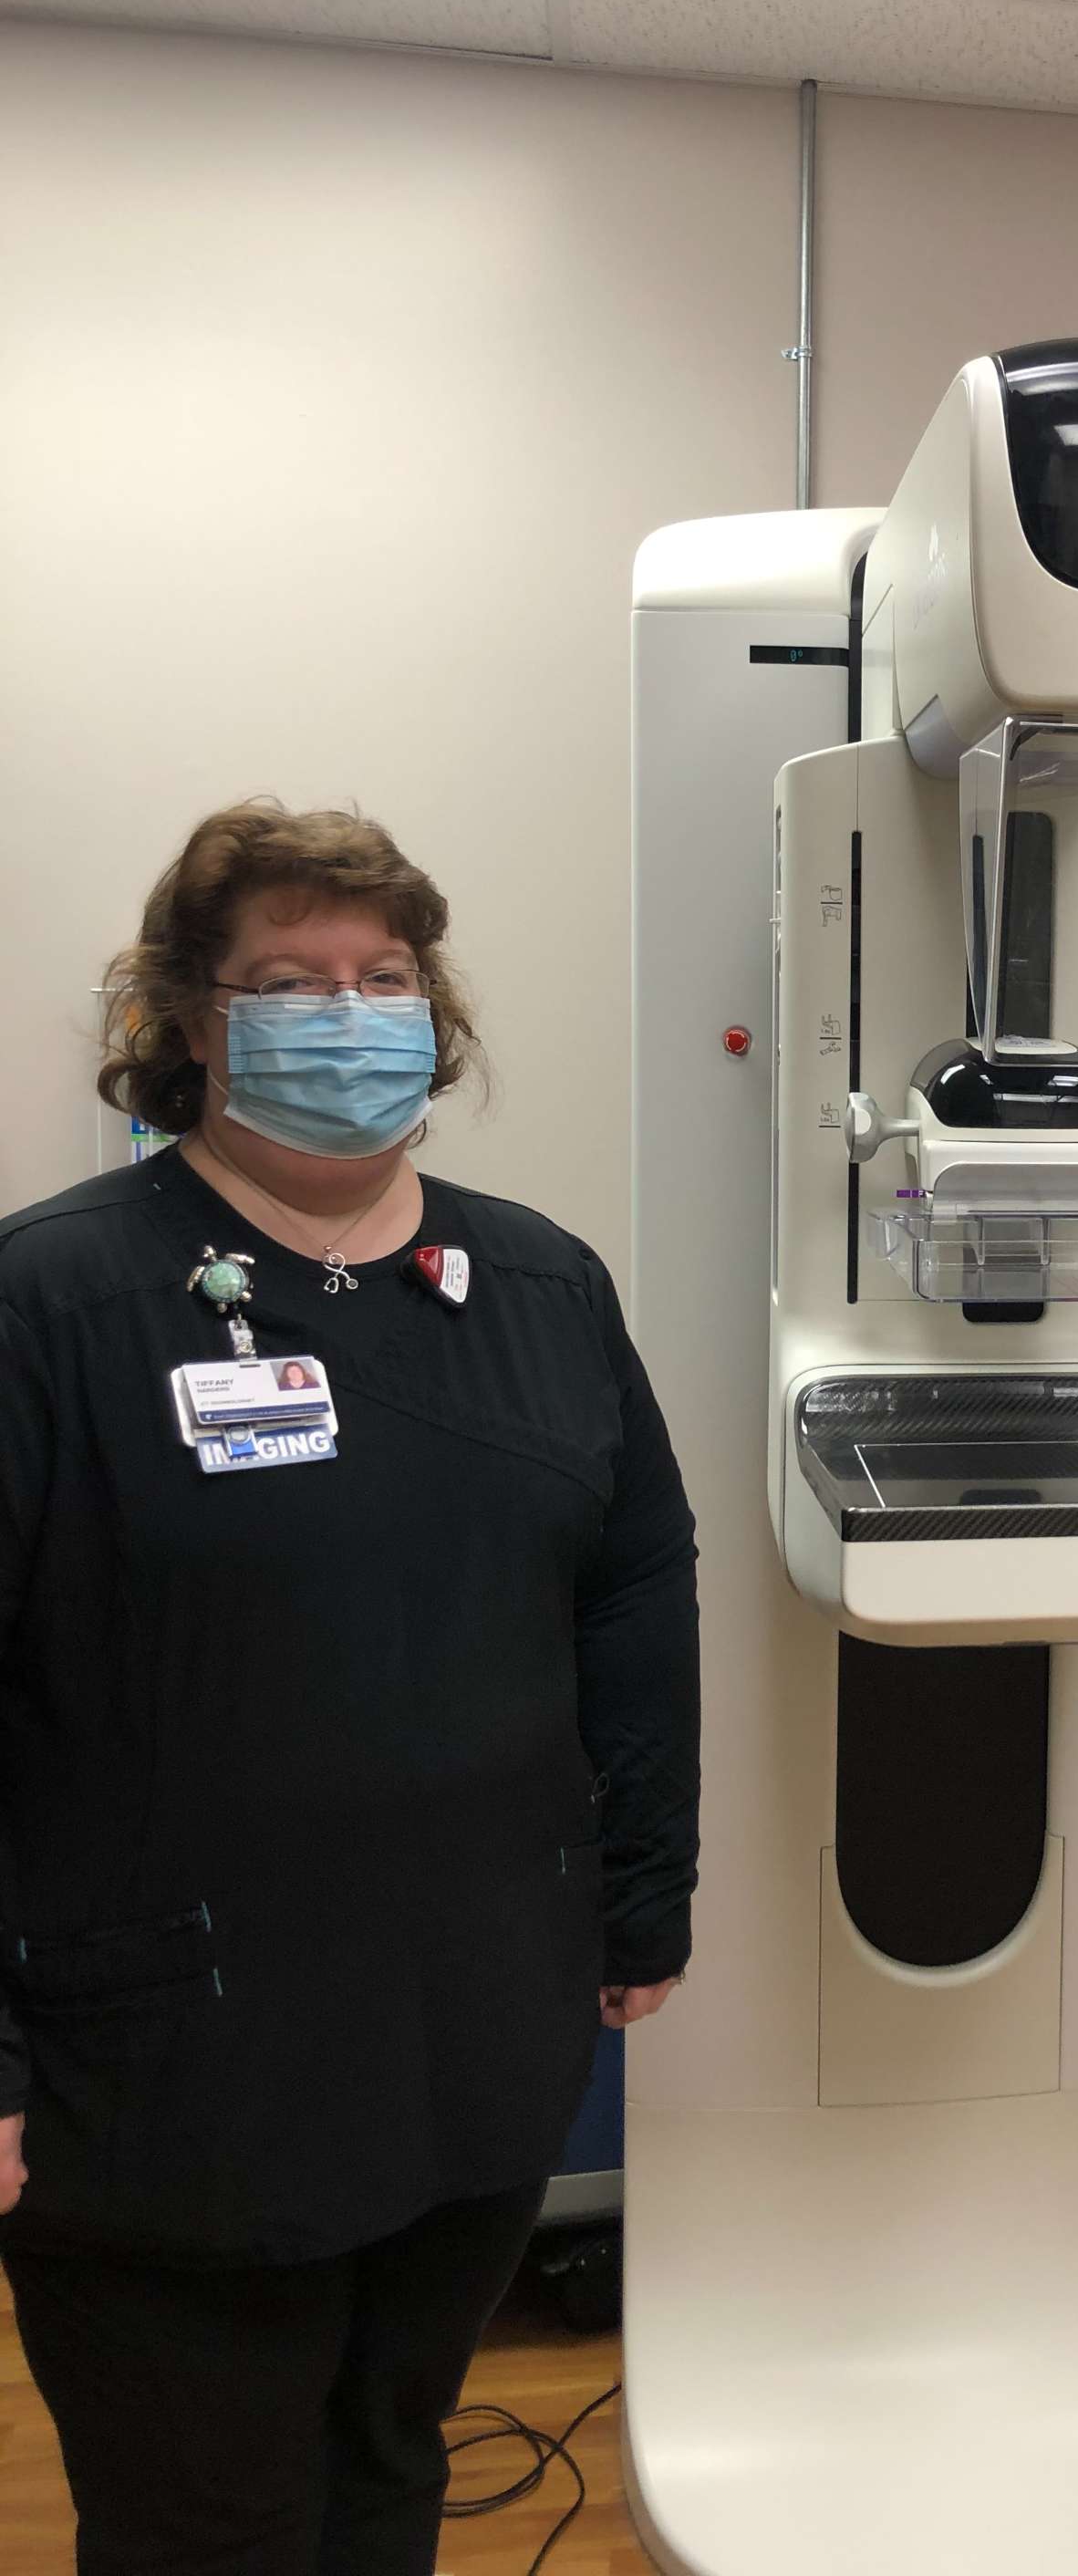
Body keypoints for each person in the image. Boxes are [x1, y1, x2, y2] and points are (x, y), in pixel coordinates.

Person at [0, 802, 701, 2575]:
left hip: (466, 2041)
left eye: (383, 974)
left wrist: (644, 1894)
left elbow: (632, 1588)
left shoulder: (540, 1284)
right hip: (167, 2079)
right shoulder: (61, 1302)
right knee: (205, 2523)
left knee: (388, 2472)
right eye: (291, 978)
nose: (350, 1007)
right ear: (190, 1020)